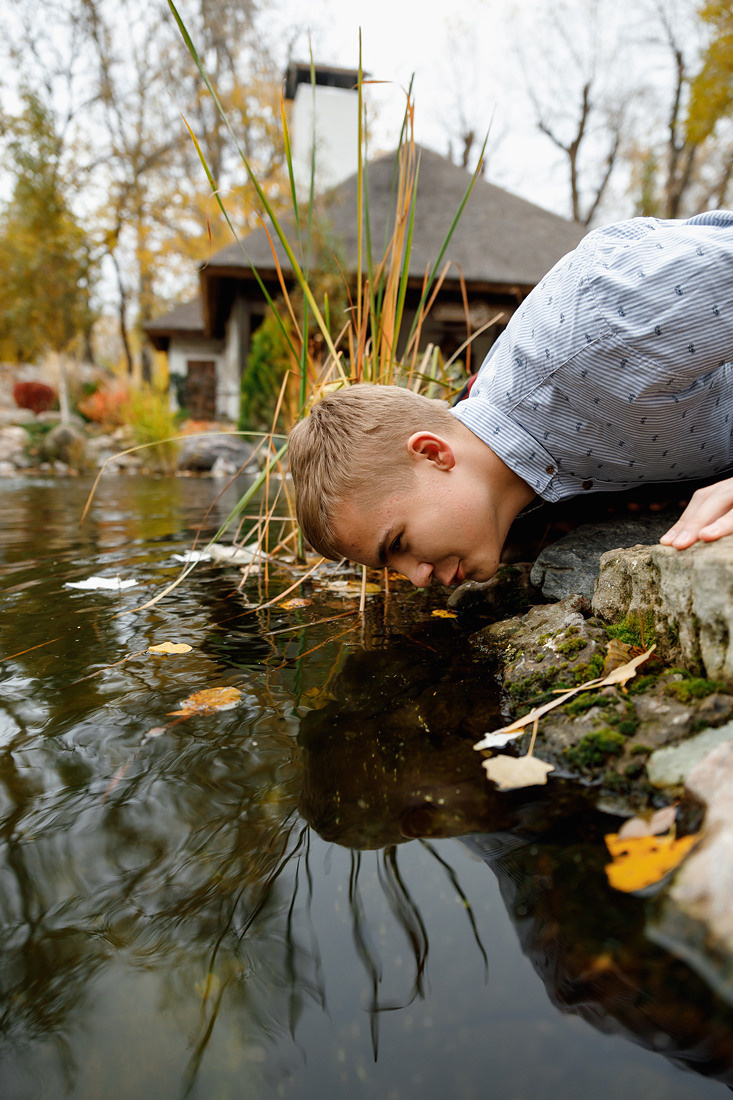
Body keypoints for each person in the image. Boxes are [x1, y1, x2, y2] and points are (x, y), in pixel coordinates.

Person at [288, 210, 733, 587]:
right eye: (391, 565)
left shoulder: (598, 327)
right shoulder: (511, 481)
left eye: (398, 544)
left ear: (433, 453)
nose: (417, 578)